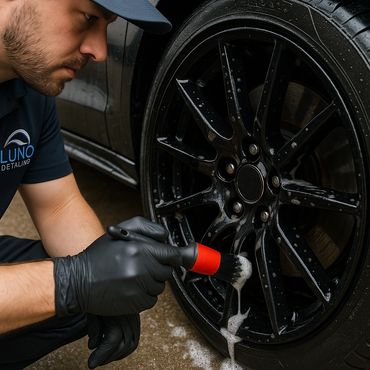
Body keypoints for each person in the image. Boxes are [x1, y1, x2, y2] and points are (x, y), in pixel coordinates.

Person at [0, 0, 179, 368]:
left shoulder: (29, 89)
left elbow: (58, 205)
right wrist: (74, 282)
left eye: (106, 26)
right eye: (89, 19)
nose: (98, 51)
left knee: (96, 288)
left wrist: (106, 286)